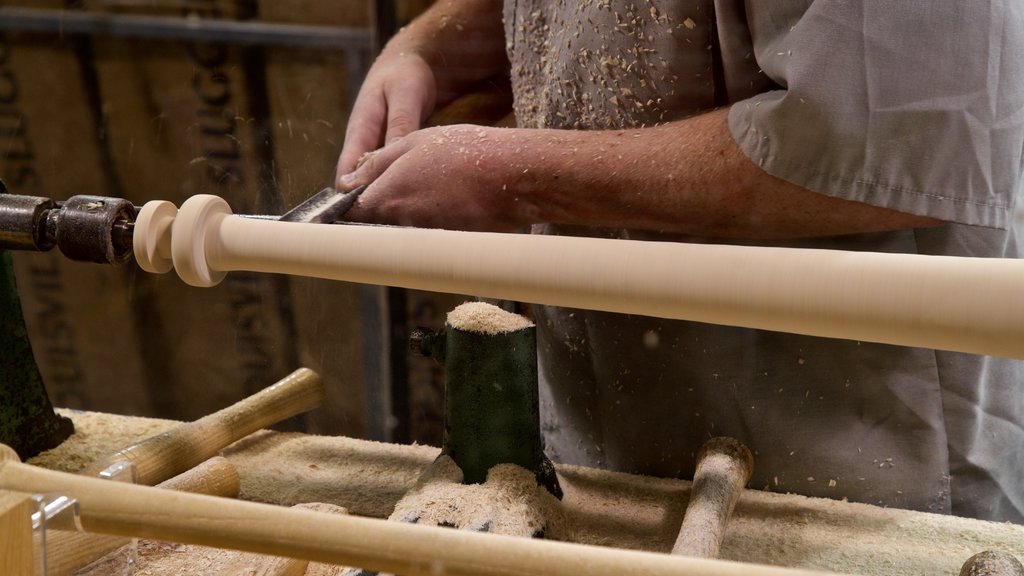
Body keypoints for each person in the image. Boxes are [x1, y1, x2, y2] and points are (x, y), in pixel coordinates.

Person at [335, 0, 1024, 522]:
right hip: (606, 433)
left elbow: (897, 138)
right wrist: (429, 46)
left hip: (845, 458)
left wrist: (512, 175)